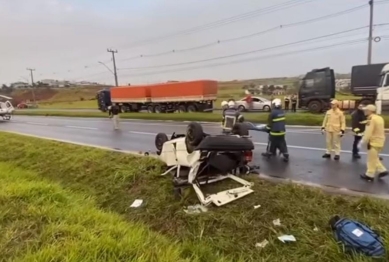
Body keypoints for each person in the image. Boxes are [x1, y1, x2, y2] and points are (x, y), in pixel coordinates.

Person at [358, 104, 388, 181]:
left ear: (370, 111)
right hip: (380, 141)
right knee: (374, 157)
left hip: (373, 142)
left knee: (370, 159)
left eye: (366, 110)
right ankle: (382, 170)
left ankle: (369, 175)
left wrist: (362, 141)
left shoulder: (371, 119)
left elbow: (368, 132)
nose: (364, 111)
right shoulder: (379, 118)